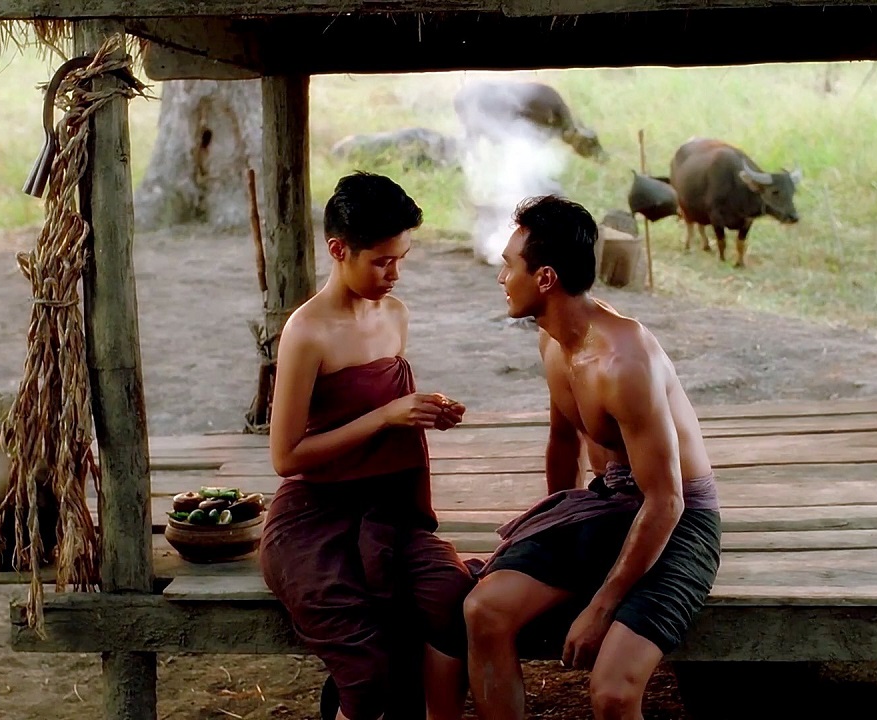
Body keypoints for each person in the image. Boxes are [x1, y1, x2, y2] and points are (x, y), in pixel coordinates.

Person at [463, 195, 723, 720]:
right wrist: (553, 531)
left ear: (545, 278)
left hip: (677, 518)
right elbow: (563, 442)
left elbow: (666, 501)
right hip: (607, 505)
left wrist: (601, 606)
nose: (500, 278)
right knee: (483, 611)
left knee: (611, 693)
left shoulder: (624, 361)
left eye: (509, 265)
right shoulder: (553, 342)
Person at [259, 171, 474, 720]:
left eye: (401, 259)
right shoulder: (307, 332)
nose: (394, 274)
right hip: (316, 514)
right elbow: (285, 457)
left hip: (390, 508)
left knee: (452, 599)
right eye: (382, 261)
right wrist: (386, 416)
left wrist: (425, 412)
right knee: (364, 657)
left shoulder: (394, 315)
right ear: (339, 250)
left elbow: (387, 410)